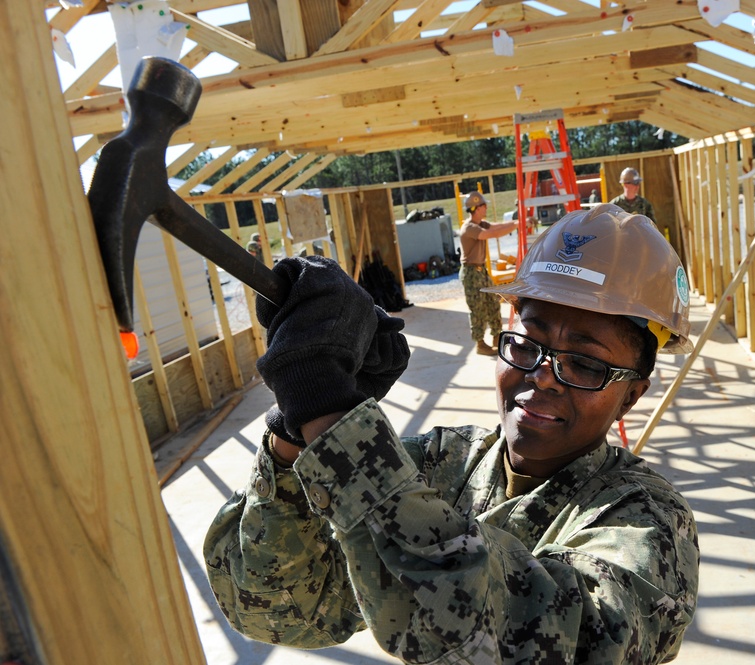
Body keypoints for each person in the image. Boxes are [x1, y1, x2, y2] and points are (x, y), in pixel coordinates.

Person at [203, 204, 700, 664]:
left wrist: (333, 415)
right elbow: (276, 607)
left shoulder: (648, 522)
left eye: (585, 364)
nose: (542, 376)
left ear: (632, 395)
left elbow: (540, 638)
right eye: (526, 345)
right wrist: (296, 430)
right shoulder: (446, 462)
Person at [458, 191, 517, 355]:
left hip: (481, 270)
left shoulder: (480, 224)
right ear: (476, 208)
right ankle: (480, 344)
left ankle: (497, 337)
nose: (486, 208)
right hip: (471, 272)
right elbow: (493, 234)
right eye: (484, 206)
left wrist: (517, 221)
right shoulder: (469, 227)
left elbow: (495, 227)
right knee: (477, 308)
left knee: (492, 302)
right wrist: (517, 225)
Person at [610, 167, 666, 241]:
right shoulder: (614, 205)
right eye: (635, 183)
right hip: (621, 244)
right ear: (625, 184)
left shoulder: (645, 204)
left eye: (638, 183)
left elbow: (653, 228)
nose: (638, 186)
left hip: (641, 243)